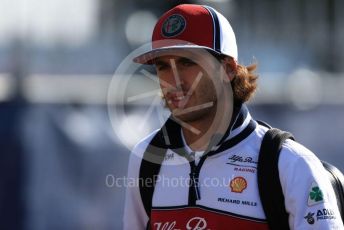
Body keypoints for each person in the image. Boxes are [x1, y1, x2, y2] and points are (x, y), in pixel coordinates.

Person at [123, 4, 343, 230]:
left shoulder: (292, 165)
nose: (174, 80)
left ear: (227, 69)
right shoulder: (146, 158)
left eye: (187, 62)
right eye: (162, 66)